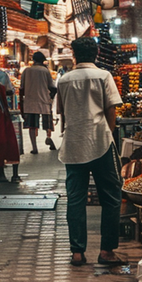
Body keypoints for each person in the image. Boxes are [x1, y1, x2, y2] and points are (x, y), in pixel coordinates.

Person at [56, 37, 125, 268]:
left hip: (73, 145)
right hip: (100, 143)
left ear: (74, 55)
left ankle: (77, 252)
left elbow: (63, 114)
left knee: (75, 199)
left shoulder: (64, 80)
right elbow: (111, 110)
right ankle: (106, 251)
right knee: (112, 197)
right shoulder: (104, 76)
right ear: (96, 54)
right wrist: (108, 133)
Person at [20, 51, 57, 154]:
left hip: (30, 101)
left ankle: (34, 147)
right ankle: (48, 137)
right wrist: (50, 98)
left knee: (32, 125)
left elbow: (21, 88)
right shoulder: (45, 71)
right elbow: (52, 87)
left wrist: (21, 102)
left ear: (33, 60)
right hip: (44, 100)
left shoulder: (26, 71)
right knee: (47, 123)